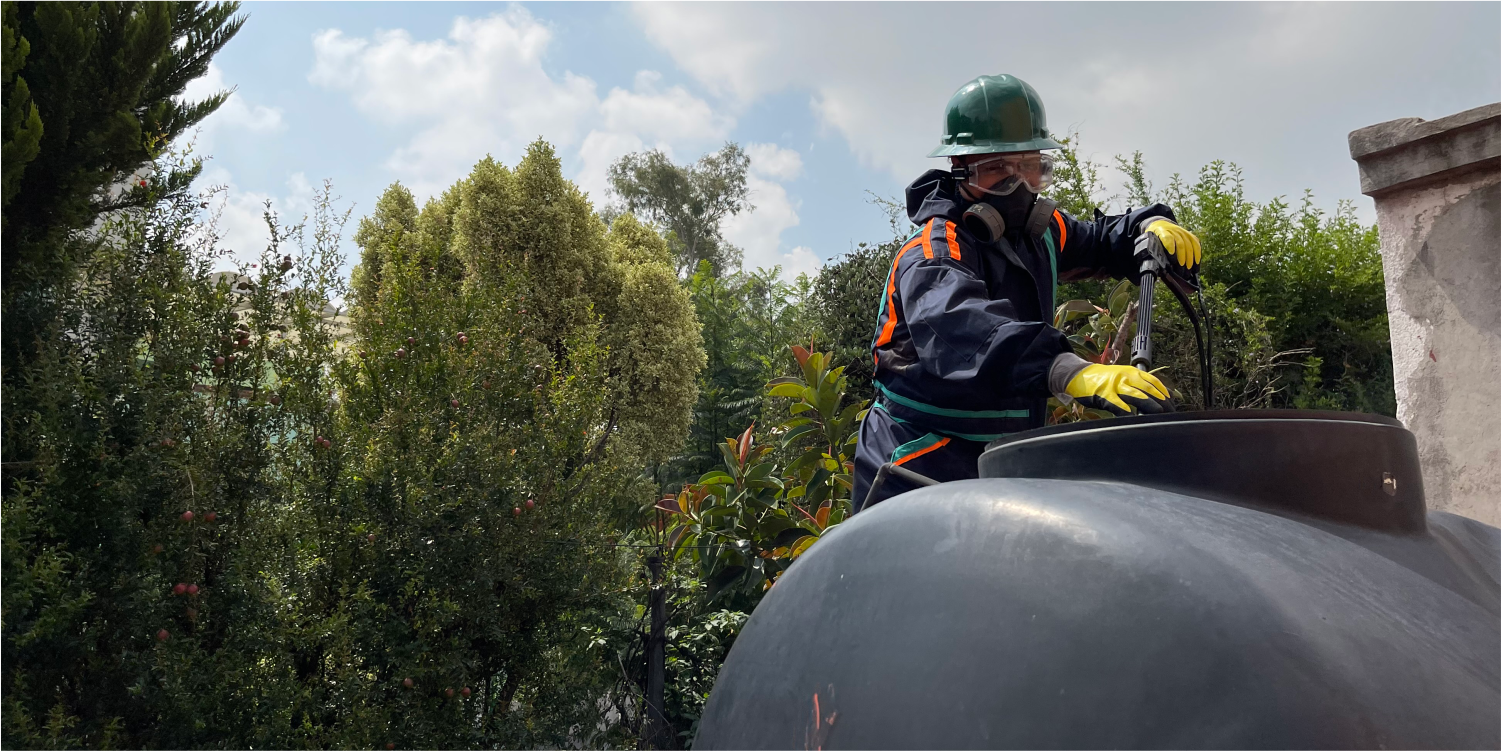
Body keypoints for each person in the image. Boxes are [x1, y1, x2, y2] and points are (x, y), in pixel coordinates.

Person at [852, 73, 1203, 513]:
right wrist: (1068, 370)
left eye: (1030, 167)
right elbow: (962, 328)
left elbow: (1098, 240)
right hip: (920, 463)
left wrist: (1146, 228)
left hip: (1003, 456)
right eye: (997, 170)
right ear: (962, 172)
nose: (1017, 186)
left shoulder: (1040, 233)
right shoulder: (933, 252)